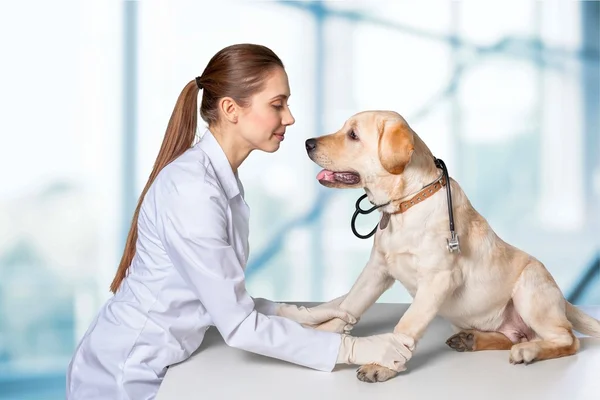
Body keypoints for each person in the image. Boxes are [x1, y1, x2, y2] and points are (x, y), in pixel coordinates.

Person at [66, 43, 414, 399]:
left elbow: (218, 297)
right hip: (123, 375)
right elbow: (239, 326)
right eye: (277, 105)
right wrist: (355, 350)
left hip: (163, 361)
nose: (289, 118)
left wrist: (296, 315)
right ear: (231, 109)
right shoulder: (192, 190)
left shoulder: (216, 179)